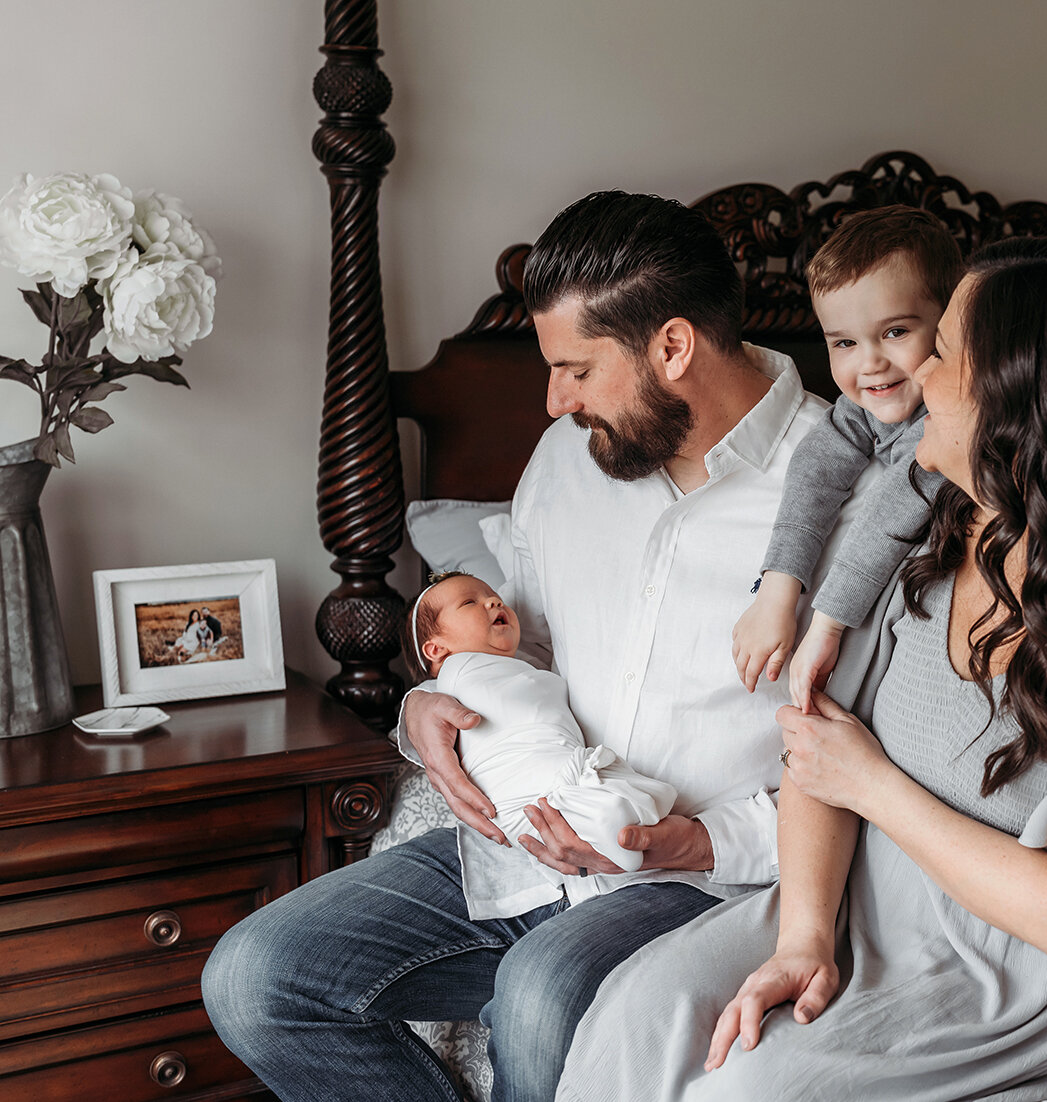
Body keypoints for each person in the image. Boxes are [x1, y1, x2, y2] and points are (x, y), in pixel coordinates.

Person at [558, 237, 1047, 1101]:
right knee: (635, 1016)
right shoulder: (935, 533)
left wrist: (875, 785)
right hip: (857, 899)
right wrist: (802, 941)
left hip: (1032, 971)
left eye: (941, 351)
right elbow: (816, 759)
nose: (913, 378)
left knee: (747, 1091)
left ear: (1024, 399)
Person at [202, 191, 872, 1102]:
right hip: (527, 837)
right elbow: (517, 637)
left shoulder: (844, 491)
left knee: (539, 995)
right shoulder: (567, 459)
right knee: (256, 978)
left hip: (705, 876)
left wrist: (695, 844)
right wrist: (427, 705)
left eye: (576, 369)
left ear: (672, 347)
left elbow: (865, 759)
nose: (554, 399)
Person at [732, 206, 955, 710]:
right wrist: (778, 591)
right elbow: (817, 468)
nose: (870, 363)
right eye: (845, 343)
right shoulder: (862, 406)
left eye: (896, 332)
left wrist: (827, 622)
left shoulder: (952, 416)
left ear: (951, 323)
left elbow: (894, 507)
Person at [402, 570, 678, 917]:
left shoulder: (520, 668)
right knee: (617, 811)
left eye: (491, 594)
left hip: (548, 782)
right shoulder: (457, 672)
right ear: (437, 649)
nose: (494, 600)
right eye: (470, 602)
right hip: (519, 793)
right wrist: (417, 700)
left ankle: (615, 834)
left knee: (623, 807)